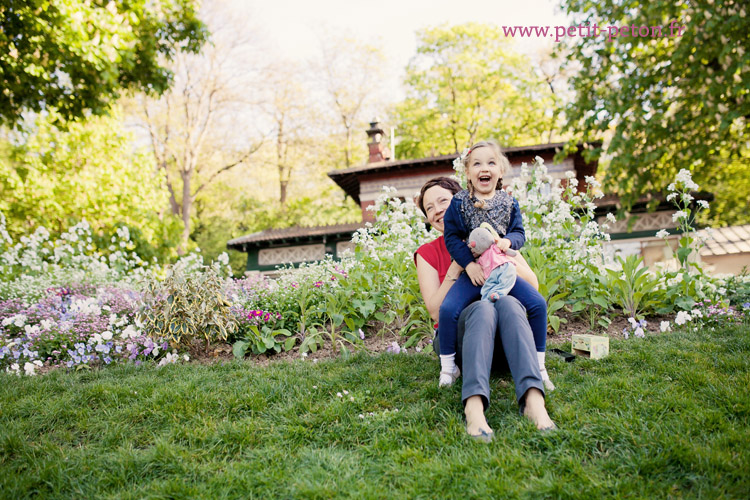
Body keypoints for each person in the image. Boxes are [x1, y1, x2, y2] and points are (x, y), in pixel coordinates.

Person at [415, 176, 555, 437]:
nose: (437, 211)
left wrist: (497, 257)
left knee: (510, 303)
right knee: (482, 308)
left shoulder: (493, 233)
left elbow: (533, 284)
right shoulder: (427, 253)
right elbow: (435, 311)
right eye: (429, 207)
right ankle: (474, 409)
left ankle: (534, 401)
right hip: (458, 341)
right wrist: (460, 264)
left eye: (443, 201)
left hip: (503, 341)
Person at [437, 141, 554, 391]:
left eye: (491, 163)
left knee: (537, 304)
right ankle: (448, 368)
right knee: (448, 309)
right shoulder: (459, 203)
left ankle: (539, 365)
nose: (484, 168)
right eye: (477, 164)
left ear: (500, 171)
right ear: (468, 173)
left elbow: (519, 233)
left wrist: (508, 241)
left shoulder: (509, 203)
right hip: (475, 271)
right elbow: (452, 238)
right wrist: (468, 265)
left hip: (503, 270)